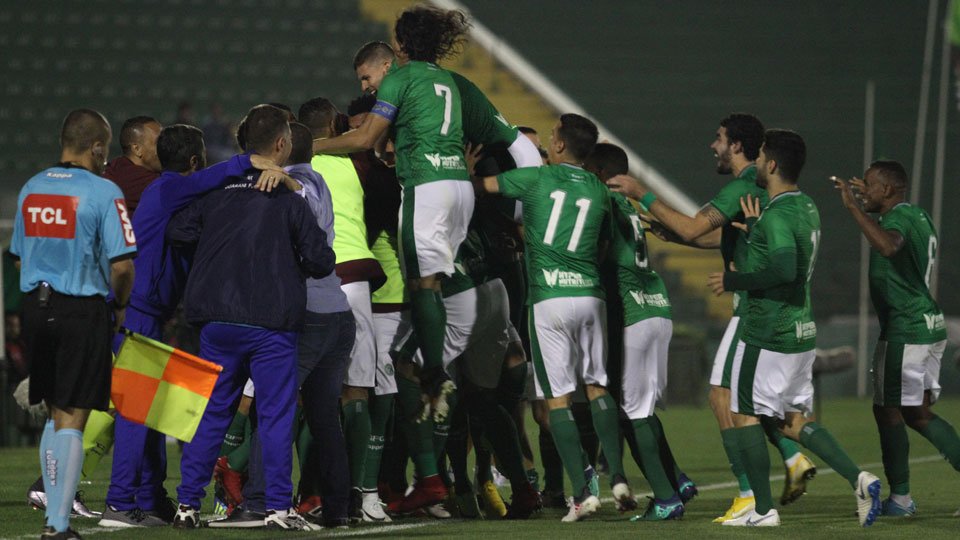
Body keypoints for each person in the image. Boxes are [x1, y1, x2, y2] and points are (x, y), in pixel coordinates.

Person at [606, 113, 816, 521]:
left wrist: (641, 192)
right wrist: (684, 235)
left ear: (737, 146)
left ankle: (750, 494)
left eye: (718, 138)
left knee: (728, 399)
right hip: (769, 310)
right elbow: (722, 235)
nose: (712, 145)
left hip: (752, 308)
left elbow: (689, 228)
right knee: (735, 399)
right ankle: (787, 462)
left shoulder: (741, 185)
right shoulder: (751, 189)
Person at [99, 125, 286, 528]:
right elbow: (207, 180)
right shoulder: (169, 189)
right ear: (195, 161)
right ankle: (118, 503)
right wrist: (246, 162)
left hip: (147, 310)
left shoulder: (165, 193)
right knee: (135, 410)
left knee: (149, 410)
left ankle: (149, 498)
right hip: (139, 310)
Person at [312, 10, 474, 460]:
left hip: (427, 185)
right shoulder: (447, 81)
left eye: (368, 77)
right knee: (434, 282)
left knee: (421, 279)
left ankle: (435, 371)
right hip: (462, 185)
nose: (367, 85)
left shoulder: (400, 80)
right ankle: (426, 362)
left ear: (394, 56)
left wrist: (310, 145)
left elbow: (365, 139)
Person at [167, 104, 335, 530]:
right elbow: (321, 261)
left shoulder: (215, 188)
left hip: (217, 320)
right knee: (276, 413)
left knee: (214, 411)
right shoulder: (286, 196)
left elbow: (180, 231)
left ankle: (187, 505)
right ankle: (277, 508)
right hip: (271, 320)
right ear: (282, 144)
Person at [705, 129, 881, 527]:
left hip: (768, 330)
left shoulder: (779, 213)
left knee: (744, 412)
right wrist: (756, 231)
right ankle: (859, 479)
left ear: (770, 164)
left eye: (762, 154)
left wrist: (732, 281)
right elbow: (787, 255)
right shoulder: (805, 206)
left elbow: (785, 269)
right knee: (791, 421)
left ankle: (762, 511)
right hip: (801, 331)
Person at [472, 113, 633, 522]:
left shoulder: (537, 179)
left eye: (553, 135)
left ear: (559, 146)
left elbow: (482, 188)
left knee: (556, 398)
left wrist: (468, 167)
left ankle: (581, 493)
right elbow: (606, 242)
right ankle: (616, 477)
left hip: (549, 298)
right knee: (597, 388)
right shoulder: (599, 188)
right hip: (590, 295)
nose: (548, 138)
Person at [214, 122, 356, 529]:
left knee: (273, 408)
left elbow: (300, 204)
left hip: (307, 315)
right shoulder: (318, 178)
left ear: (283, 146)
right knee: (325, 416)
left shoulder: (296, 182)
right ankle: (338, 508)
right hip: (336, 314)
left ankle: (258, 502)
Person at [11, 108, 137, 539]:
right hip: (80, 310)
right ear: (97, 147)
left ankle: (53, 516)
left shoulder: (31, 187)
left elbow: (17, 257)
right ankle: (58, 526)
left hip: (35, 307)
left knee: (53, 413)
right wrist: (119, 307)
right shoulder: (103, 191)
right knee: (74, 418)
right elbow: (122, 266)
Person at [833, 161, 958, 517]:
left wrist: (855, 209)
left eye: (870, 186)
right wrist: (867, 201)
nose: (862, 190)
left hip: (907, 329)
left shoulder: (897, 221)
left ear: (888, 190)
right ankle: (900, 498)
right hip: (926, 323)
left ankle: (900, 499)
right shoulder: (918, 215)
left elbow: (889, 247)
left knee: (889, 410)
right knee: (916, 412)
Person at [585, 143, 695, 521]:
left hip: (631, 310)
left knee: (634, 412)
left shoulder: (603, 202)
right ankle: (675, 483)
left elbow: (596, 252)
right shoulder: (631, 208)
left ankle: (666, 498)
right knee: (643, 409)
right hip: (656, 306)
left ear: (599, 174)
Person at [299, 96, 392, 521]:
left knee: (304, 393)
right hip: (352, 278)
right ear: (338, 125)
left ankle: (300, 492)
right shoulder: (359, 163)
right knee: (357, 390)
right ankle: (359, 494)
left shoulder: (292, 171)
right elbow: (388, 206)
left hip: (306, 284)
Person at [103, 116, 162, 217]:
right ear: (137, 149)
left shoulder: (117, 166)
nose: (165, 148)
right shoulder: (136, 180)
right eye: (158, 143)